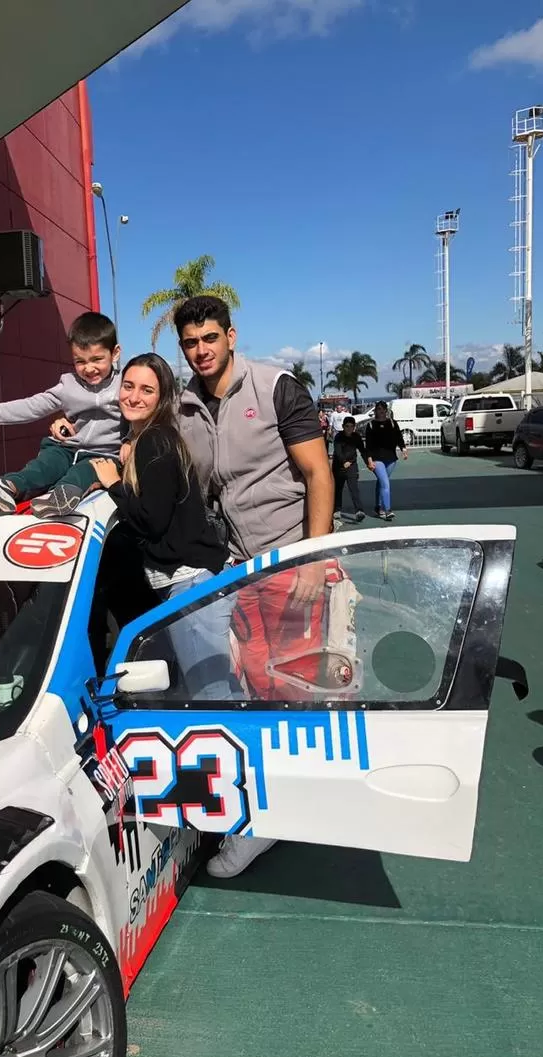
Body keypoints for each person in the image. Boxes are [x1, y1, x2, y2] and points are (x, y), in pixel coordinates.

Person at [175, 295, 334, 877]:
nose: (202, 351)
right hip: (236, 565)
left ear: (231, 335)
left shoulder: (276, 386)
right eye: (191, 343)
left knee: (298, 691)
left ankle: (290, 813)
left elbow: (318, 472)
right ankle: (270, 815)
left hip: (292, 559)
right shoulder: (185, 404)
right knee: (252, 690)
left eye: (210, 338)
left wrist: (313, 560)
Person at [88, 353, 231, 700]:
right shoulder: (149, 438)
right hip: (186, 581)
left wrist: (112, 485)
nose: (134, 396)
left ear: (162, 397)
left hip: (190, 583)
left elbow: (152, 520)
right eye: (129, 386)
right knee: (199, 686)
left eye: (147, 390)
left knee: (211, 693)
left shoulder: (155, 440)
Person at [0, 312, 123, 518]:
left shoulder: (125, 385)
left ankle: (58, 497)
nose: (89, 368)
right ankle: (6, 488)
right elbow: (29, 407)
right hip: (65, 448)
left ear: (115, 353)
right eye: (80, 361)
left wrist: (129, 441)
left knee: (82, 473)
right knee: (42, 467)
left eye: (97, 359)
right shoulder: (68, 385)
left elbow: (144, 417)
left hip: (103, 456)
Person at [365, 401, 407, 521]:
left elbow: (399, 437)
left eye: (384, 409)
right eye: (379, 409)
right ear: (376, 410)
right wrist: (369, 460)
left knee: (381, 482)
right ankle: (387, 509)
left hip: (391, 458)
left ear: (386, 410)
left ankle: (379, 507)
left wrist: (403, 448)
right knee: (385, 483)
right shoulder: (371, 425)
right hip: (377, 459)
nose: (381, 411)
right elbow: (368, 445)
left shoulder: (393, 423)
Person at [332, 416, 368, 524]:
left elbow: (362, 450)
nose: (349, 428)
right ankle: (337, 509)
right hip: (339, 466)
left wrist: (368, 462)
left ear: (354, 427)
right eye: (347, 426)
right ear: (343, 427)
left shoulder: (356, 437)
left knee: (354, 488)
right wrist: (343, 461)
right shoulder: (339, 437)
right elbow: (338, 451)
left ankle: (359, 511)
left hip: (352, 465)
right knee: (338, 488)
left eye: (351, 426)